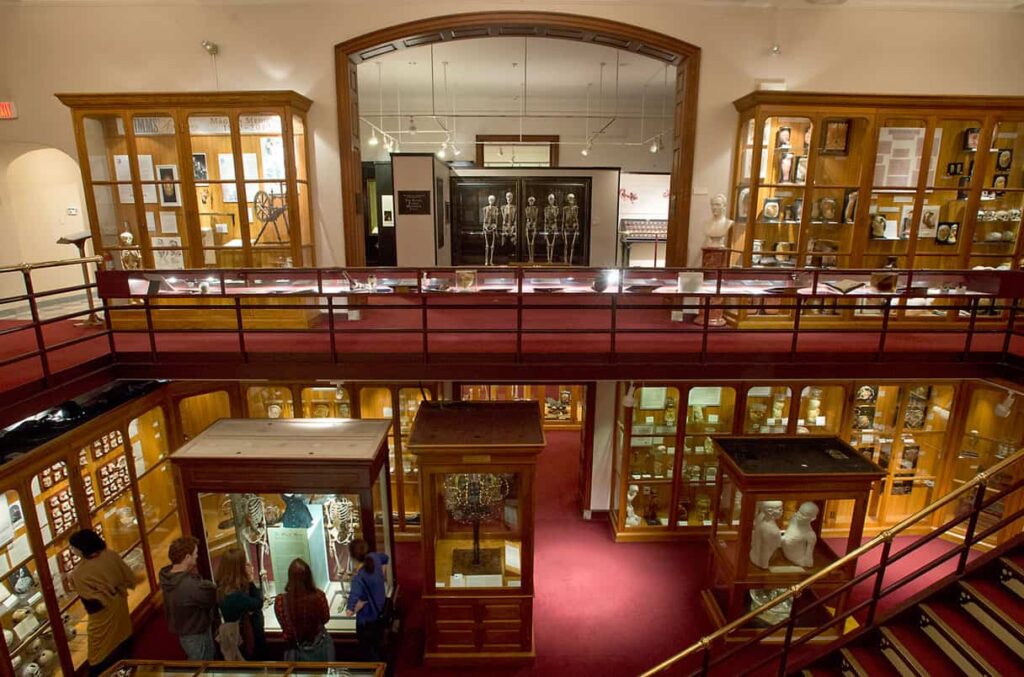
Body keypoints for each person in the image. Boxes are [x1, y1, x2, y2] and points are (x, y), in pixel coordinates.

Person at [67, 529, 136, 676]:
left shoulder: (79, 573)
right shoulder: (110, 555)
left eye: (73, 547)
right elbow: (128, 577)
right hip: (120, 605)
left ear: (80, 548)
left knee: (98, 655)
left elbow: (93, 601)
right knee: (123, 642)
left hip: (102, 618)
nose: (72, 550)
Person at [159, 536, 218, 660]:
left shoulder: (168, 578)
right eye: (195, 553)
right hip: (197, 634)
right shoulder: (188, 585)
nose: (197, 556)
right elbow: (211, 597)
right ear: (187, 557)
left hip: (186, 633)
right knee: (203, 667)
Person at [274, 558, 334, 662]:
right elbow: (325, 618)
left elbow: (284, 624)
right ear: (308, 576)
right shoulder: (319, 596)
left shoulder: (280, 601)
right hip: (320, 647)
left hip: (294, 651)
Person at [215, 547, 266, 660]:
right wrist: (251, 580)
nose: (247, 565)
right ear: (238, 568)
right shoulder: (235, 596)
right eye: (244, 563)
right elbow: (258, 602)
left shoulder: (223, 587)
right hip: (248, 640)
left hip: (239, 637)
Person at [345, 539, 390, 661]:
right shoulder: (374, 557)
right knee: (379, 646)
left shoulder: (358, 579)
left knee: (370, 653)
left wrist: (359, 605)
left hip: (367, 622)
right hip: (380, 612)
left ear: (352, 557)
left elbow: (349, 612)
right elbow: (386, 558)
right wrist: (381, 576)